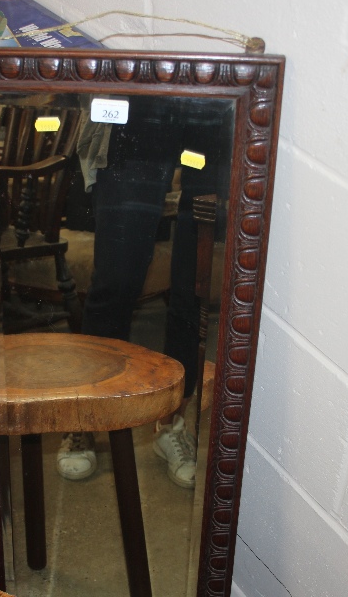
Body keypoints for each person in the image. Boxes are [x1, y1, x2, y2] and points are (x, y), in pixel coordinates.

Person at [56, 94, 232, 488]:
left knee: (194, 289)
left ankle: (172, 423)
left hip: (211, 111)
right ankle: (84, 418)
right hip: (140, 103)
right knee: (116, 279)